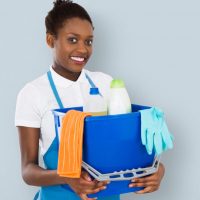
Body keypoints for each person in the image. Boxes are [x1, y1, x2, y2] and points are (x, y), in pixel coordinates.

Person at [15, 0, 165, 199]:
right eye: (73, 40)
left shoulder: (106, 83)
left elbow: (125, 147)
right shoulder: (33, 93)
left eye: (89, 41)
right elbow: (28, 171)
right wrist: (67, 177)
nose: (83, 49)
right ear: (51, 40)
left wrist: (158, 170)